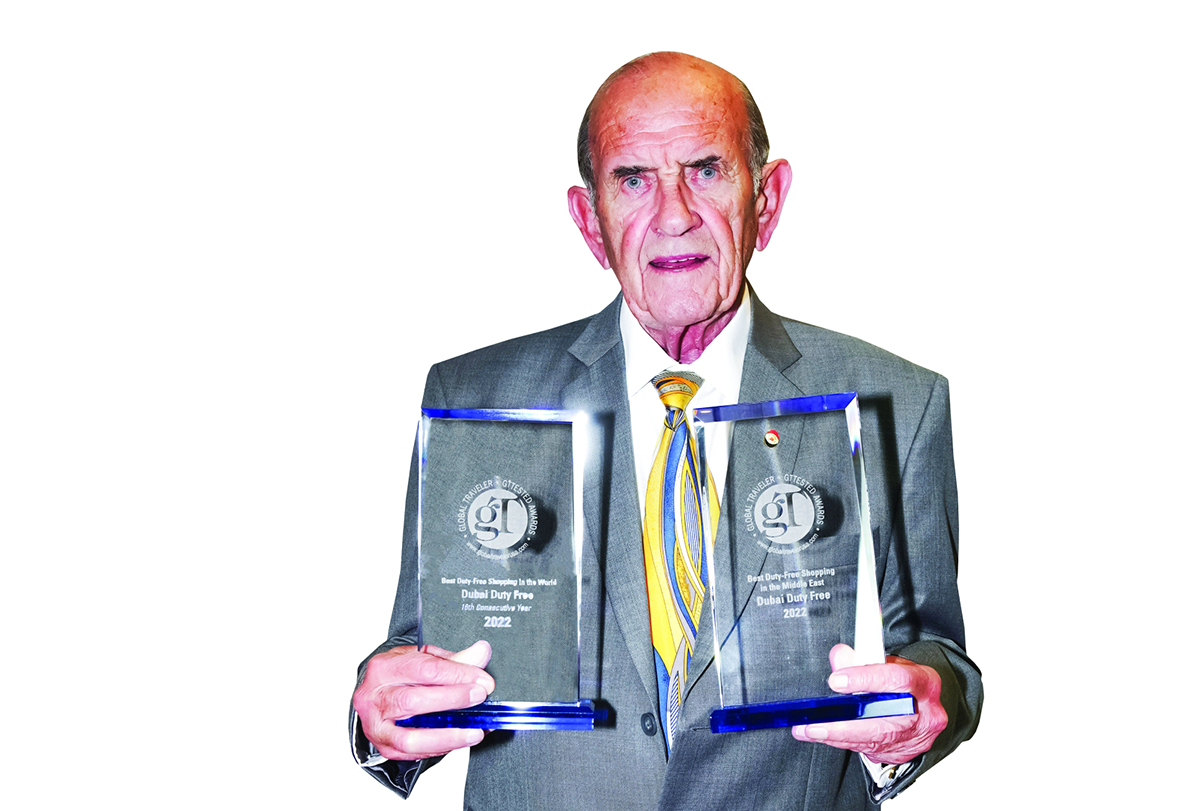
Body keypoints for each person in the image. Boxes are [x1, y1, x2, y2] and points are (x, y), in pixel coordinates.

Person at [350, 52, 982, 809]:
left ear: (767, 200)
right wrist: (382, 714)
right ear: (591, 222)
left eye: (706, 170)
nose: (674, 213)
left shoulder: (896, 401)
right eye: (632, 179)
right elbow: (415, 653)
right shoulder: (476, 398)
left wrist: (928, 701)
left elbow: (938, 660)